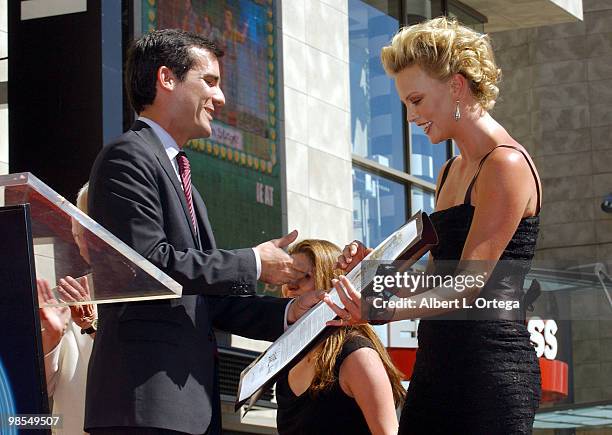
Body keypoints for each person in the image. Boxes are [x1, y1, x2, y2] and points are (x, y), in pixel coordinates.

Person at [85, 29, 320, 435]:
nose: (221, 98)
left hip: (187, 409)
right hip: (146, 405)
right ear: (166, 79)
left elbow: (213, 304)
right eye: (209, 81)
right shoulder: (128, 156)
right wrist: (252, 262)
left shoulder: (184, 180)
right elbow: (149, 263)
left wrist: (290, 312)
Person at [324, 17, 542, 434]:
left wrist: (381, 309)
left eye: (417, 100)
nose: (410, 116)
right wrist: (373, 270)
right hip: (435, 366)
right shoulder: (449, 172)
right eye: (407, 104)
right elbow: (437, 279)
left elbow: (467, 285)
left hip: (489, 373)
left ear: (457, 86)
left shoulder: (506, 164)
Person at [275, 239, 404, 435]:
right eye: (289, 276)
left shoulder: (357, 355)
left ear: (332, 284)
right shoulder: (286, 357)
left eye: (305, 276)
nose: (291, 286)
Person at [39, 183, 97, 435]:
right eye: (79, 230)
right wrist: (50, 338)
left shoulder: (153, 295)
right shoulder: (64, 298)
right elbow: (33, 397)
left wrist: (93, 328)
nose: (83, 237)